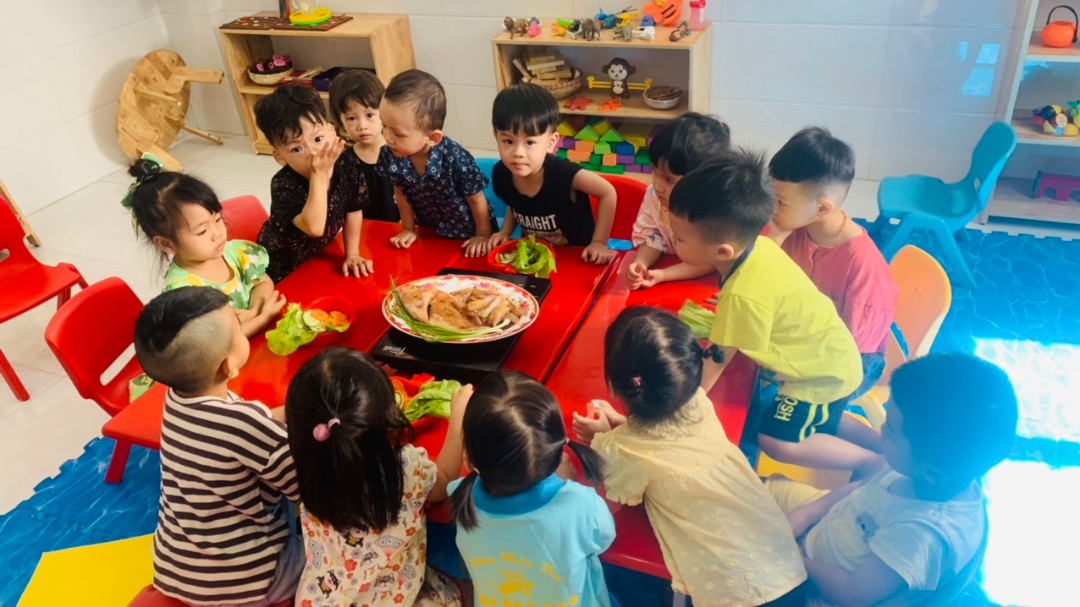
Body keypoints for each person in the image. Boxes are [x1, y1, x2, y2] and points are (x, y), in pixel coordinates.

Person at [573, 306, 807, 607]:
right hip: (785, 568)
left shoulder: (623, 451)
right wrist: (617, 430)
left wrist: (604, 441)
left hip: (734, 595)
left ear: (616, 385)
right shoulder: (698, 404)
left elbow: (618, 492)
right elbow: (665, 442)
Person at [667, 150, 880, 474]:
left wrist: (682, 409)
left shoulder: (742, 296)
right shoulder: (761, 246)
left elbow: (716, 362)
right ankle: (881, 445)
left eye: (680, 238)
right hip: (835, 359)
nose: (673, 241)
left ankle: (872, 463)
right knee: (825, 416)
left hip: (820, 376)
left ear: (722, 251)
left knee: (774, 439)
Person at [767, 354, 1018, 606]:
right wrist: (807, 515)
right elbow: (860, 490)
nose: (882, 431)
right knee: (753, 490)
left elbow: (850, 594)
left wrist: (796, 558)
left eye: (891, 429)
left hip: (811, 592)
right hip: (825, 533)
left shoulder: (923, 536)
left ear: (930, 472)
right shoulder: (931, 466)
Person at [133, 287, 300, 606]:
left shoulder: (178, 396)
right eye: (238, 325)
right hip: (247, 578)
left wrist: (296, 410)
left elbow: (248, 426)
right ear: (228, 366)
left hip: (175, 567)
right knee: (329, 549)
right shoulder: (246, 424)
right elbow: (307, 488)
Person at [285, 347, 465, 606]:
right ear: (387, 423)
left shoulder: (309, 461)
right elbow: (444, 481)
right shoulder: (406, 467)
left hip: (321, 598)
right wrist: (459, 417)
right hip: (392, 598)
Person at [449, 371, 615, 606]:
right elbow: (605, 538)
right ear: (558, 454)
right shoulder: (581, 504)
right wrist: (567, 484)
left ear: (467, 460)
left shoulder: (459, 496)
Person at [768, 127, 898, 399]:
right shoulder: (796, 227)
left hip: (852, 362)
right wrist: (775, 241)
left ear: (822, 208)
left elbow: (847, 352)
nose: (771, 209)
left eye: (780, 202)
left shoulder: (863, 267)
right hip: (807, 334)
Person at [123, 156, 286, 338]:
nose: (217, 233)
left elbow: (262, 281)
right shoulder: (184, 292)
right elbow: (220, 341)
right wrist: (262, 318)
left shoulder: (231, 252)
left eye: (218, 219)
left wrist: (254, 310)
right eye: (202, 231)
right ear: (166, 243)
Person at [488, 83, 616, 264]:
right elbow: (514, 203)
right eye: (508, 141)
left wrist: (599, 242)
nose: (518, 153)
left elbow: (608, 192)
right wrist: (505, 232)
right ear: (496, 136)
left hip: (579, 258)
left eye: (530, 142)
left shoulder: (563, 174)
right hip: (534, 257)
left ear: (551, 142)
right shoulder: (501, 174)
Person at [254, 85, 372, 281]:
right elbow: (315, 228)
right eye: (296, 149)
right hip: (278, 268)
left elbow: (353, 210)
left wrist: (352, 254)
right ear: (279, 156)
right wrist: (319, 175)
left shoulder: (348, 164)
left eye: (318, 138)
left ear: (332, 132)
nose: (314, 153)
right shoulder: (283, 184)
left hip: (316, 258)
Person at [377, 69, 495, 257]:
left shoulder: (456, 158)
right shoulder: (390, 155)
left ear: (432, 138)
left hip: (468, 235)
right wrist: (408, 228)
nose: (387, 137)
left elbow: (476, 200)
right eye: (384, 125)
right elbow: (400, 194)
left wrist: (482, 236)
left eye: (398, 133)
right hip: (429, 233)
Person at [626, 112, 731, 289]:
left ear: (702, 181)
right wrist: (641, 263)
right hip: (665, 271)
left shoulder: (715, 209)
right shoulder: (654, 195)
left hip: (704, 285)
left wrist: (664, 275)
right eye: (654, 171)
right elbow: (652, 237)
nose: (657, 185)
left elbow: (710, 261)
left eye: (668, 179)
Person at [328, 68, 401, 223]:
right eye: (351, 118)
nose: (362, 126)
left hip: (403, 229)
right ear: (341, 121)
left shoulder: (401, 151)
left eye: (369, 115)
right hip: (363, 231)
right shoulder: (344, 162)